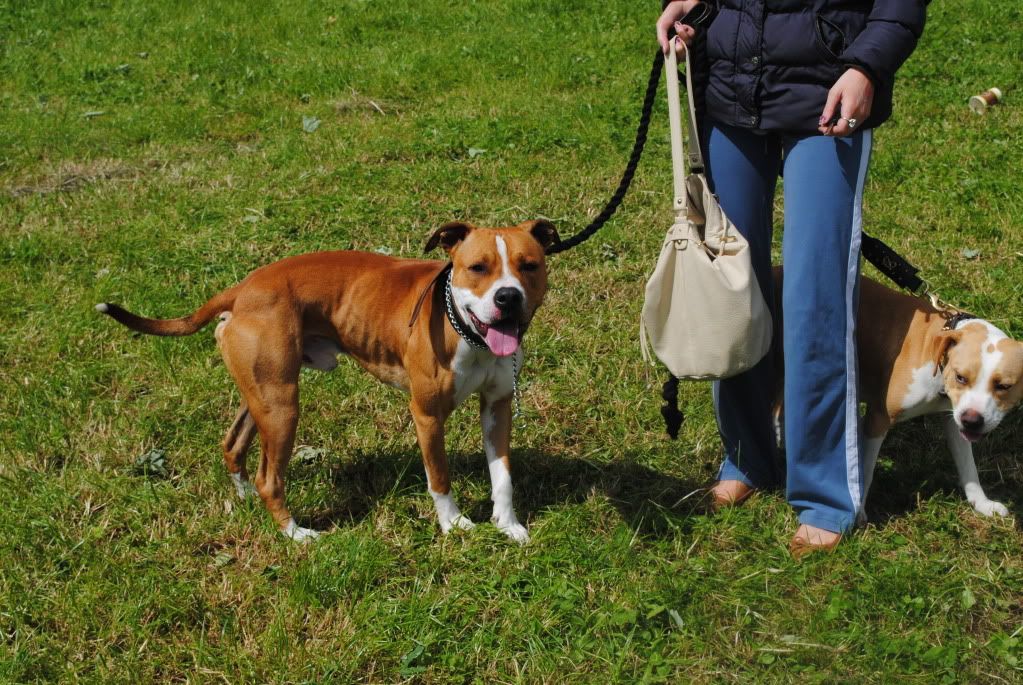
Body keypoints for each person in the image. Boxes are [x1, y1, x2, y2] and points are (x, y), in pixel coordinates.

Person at [655, 0, 927, 555]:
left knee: (814, 297)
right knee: (732, 288)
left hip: (830, 93)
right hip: (729, 89)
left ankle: (825, 493)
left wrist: (867, 67)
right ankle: (747, 456)